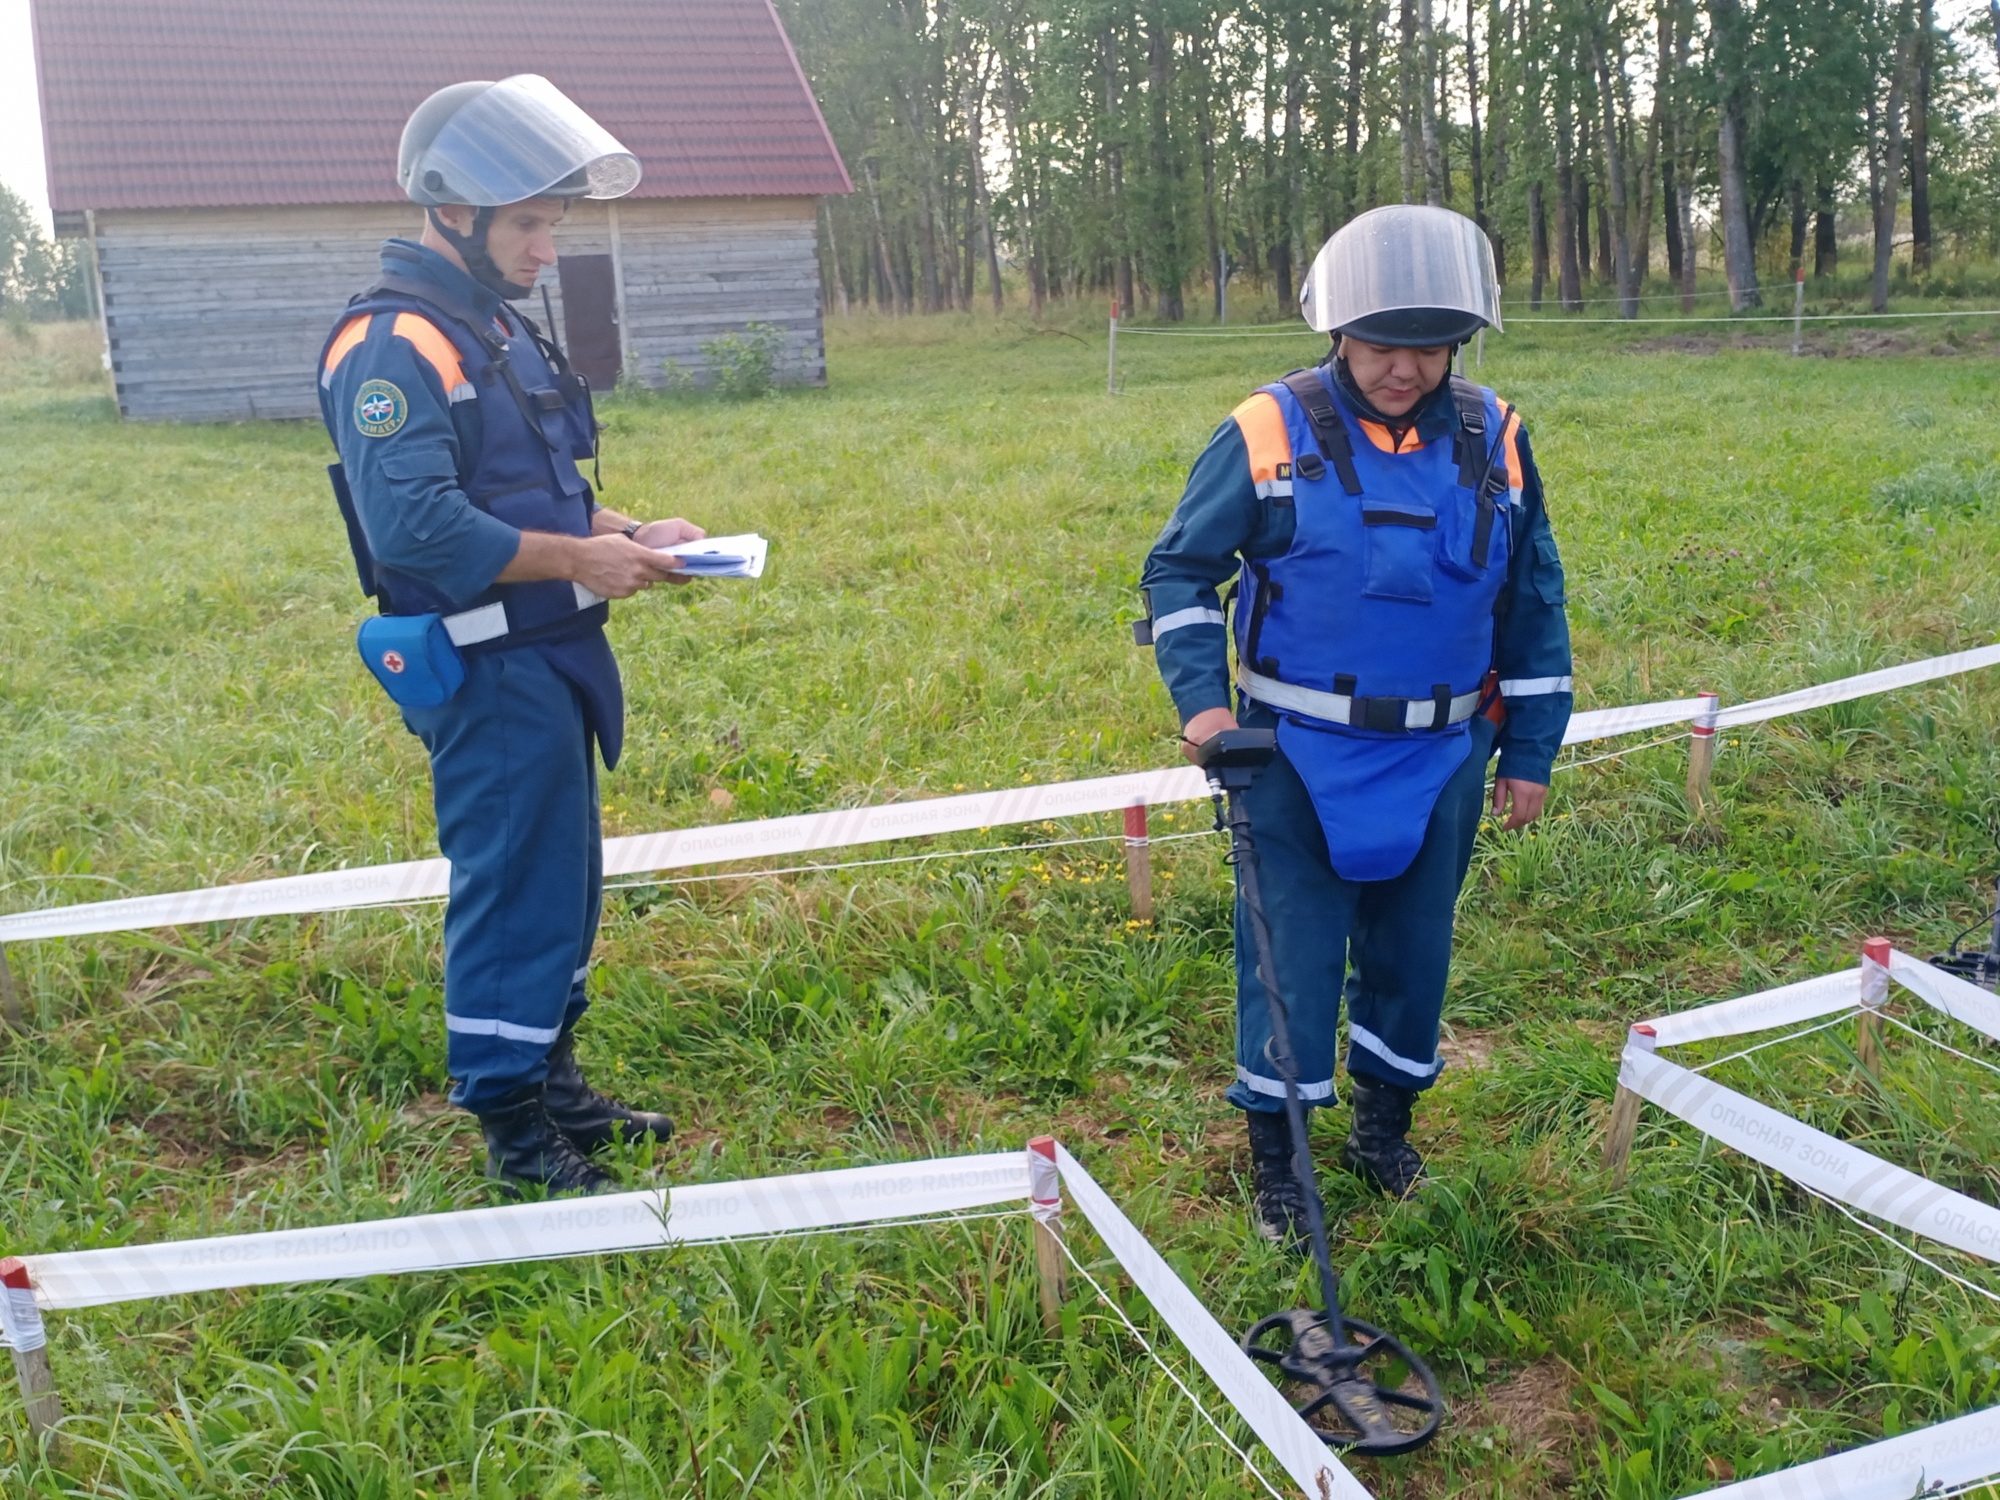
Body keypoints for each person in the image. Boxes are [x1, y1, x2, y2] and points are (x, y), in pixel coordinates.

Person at [1138, 205, 1573, 1245]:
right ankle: (1280, 1163)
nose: (1401, 369)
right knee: (1286, 959)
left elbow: (1532, 597)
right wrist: (1206, 715)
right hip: (1291, 756)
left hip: (1443, 752)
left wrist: (1530, 752)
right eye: (1379, 345)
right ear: (1336, 331)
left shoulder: (1495, 436)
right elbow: (1179, 574)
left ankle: (1383, 1131)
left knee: (1412, 953)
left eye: (1428, 348)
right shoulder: (1263, 430)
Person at [318, 76, 700, 1195]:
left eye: (554, 221)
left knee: (562, 883)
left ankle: (555, 1081)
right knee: (510, 885)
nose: (548, 246)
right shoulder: (394, 343)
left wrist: (631, 529)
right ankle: (512, 1125)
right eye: (530, 224)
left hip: (553, 654)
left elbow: (536, 488)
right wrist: (582, 559)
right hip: (485, 663)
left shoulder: (490, 328)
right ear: (454, 213)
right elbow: (418, 524)